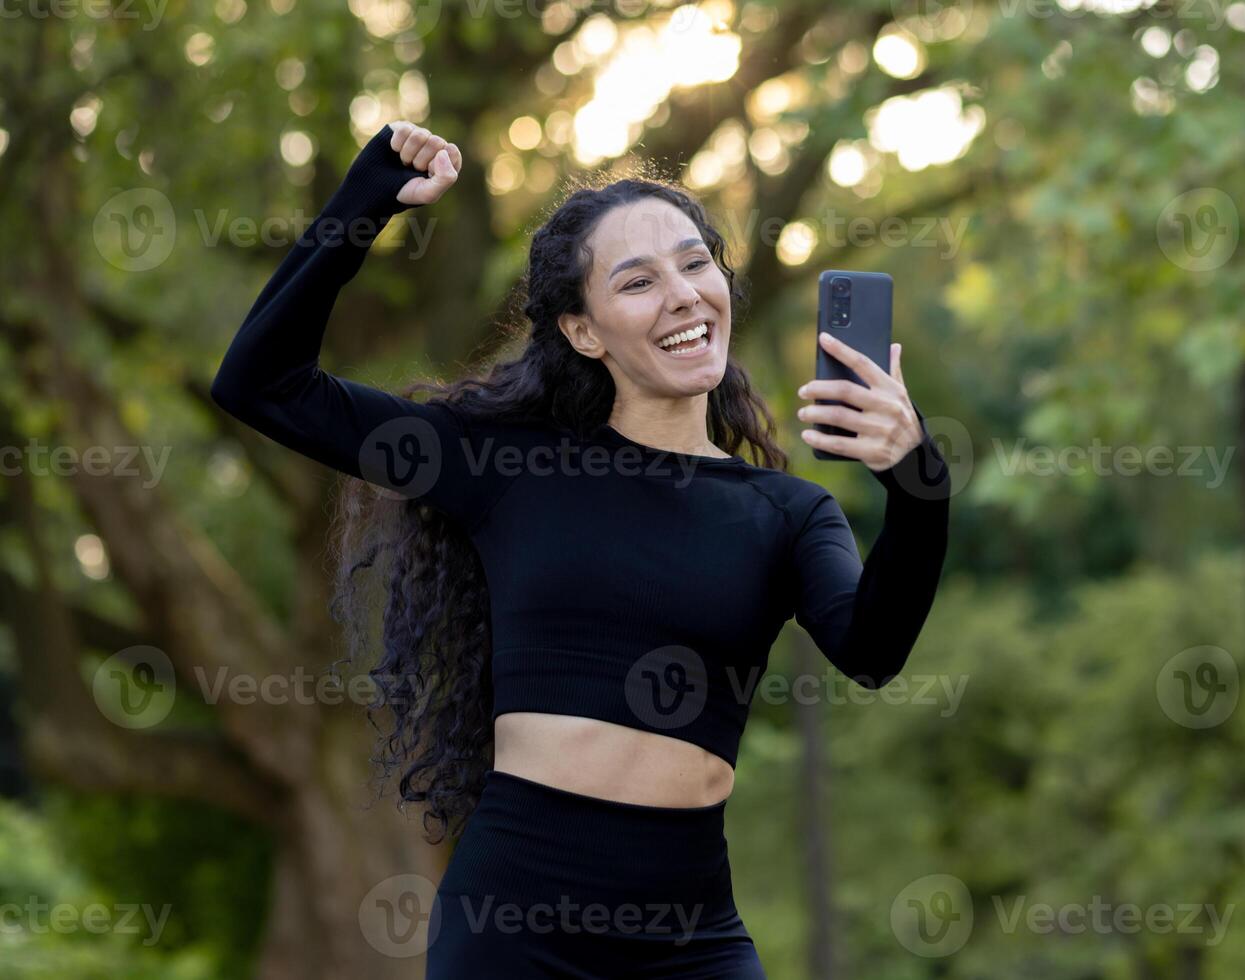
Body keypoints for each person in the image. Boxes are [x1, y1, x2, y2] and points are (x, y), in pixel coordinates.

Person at [211, 120, 951, 978]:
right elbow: (261, 384)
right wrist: (366, 202)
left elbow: (874, 650)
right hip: (516, 927)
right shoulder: (502, 467)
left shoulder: (787, 513)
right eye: (637, 281)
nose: (681, 294)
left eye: (695, 263)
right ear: (583, 330)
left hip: (692, 940)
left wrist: (916, 480)